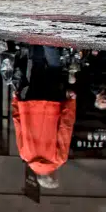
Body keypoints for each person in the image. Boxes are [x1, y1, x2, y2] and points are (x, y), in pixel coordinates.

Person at [11, 44, 74, 188]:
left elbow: (65, 128)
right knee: (37, 68)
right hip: (31, 105)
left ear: (52, 175)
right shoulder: (25, 155)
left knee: (54, 70)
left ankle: (48, 42)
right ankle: (36, 39)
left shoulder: (58, 159)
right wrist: (16, 102)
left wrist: (71, 103)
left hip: (53, 107)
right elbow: (18, 126)